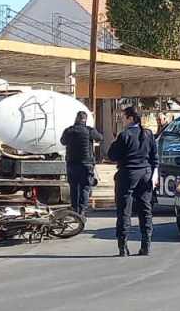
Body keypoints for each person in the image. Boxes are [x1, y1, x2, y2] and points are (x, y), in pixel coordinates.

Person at [107, 106, 159, 256]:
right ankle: (146, 245)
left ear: (130, 118)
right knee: (145, 210)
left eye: (124, 117)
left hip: (128, 174)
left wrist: (115, 141)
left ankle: (123, 247)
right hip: (146, 174)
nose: (122, 120)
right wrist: (153, 174)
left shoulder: (125, 135)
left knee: (124, 211)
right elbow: (154, 158)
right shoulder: (148, 134)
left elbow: (112, 155)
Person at [60, 111, 103, 216]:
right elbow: (100, 138)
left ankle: (75, 208)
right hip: (86, 164)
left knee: (74, 187)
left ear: (76, 118)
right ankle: (82, 210)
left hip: (72, 164)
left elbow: (62, 141)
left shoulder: (69, 130)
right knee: (85, 187)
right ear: (85, 120)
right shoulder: (89, 131)